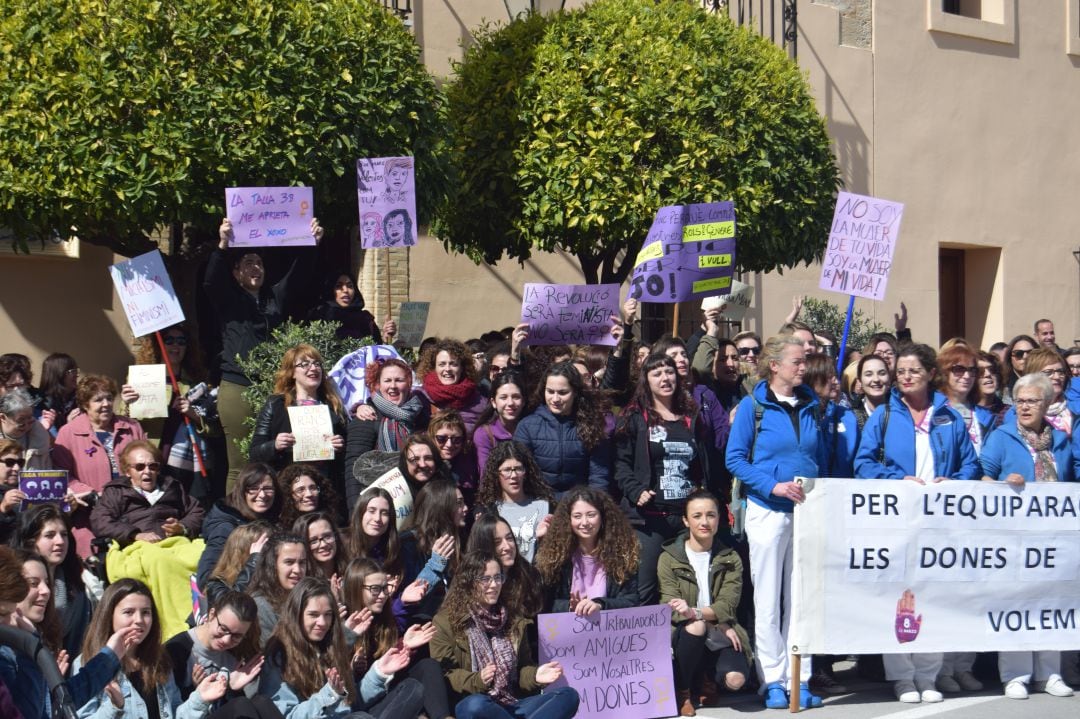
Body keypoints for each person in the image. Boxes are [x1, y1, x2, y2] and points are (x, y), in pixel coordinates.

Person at [854, 343, 979, 704]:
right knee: (900, 598)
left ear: (929, 374)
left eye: (914, 371)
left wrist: (952, 482)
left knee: (934, 597)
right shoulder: (886, 415)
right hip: (898, 519)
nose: (906, 377)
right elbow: (864, 464)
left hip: (939, 522)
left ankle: (928, 675)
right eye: (902, 371)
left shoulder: (949, 415)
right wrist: (896, 481)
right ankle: (903, 678)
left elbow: (970, 464)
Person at [725, 334, 823, 710]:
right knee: (768, 600)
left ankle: (801, 676)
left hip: (807, 513)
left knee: (802, 600)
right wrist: (773, 486)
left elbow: (820, 457)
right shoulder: (754, 406)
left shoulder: (812, 404)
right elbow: (735, 459)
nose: (804, 366)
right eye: (797, 361)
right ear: (775, 365)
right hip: (768, 511)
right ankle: (774, 679)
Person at [205, 216, 322, 494]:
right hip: (237, 387)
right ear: (236, 273)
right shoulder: (229, 298)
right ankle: (235, 522)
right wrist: (222, 244)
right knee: (240, 464)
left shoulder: (274, 298)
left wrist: (312, 243)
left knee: (272, 457)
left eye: (259, 263)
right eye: (248, 263)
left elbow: (299, 276)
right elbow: (211, 281)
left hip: (272, 388)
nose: (255, 268)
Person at [980, 372, 1075, 699]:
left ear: (1047, 404)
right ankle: (1016, 675)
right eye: (1019, 401)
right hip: (1013, 537)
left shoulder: (1061, 440)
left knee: (1050, 602)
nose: (1024, 407)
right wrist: (1006, 485)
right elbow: (981, 479)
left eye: (1032, 401)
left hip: (1052, 539)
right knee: (1016, 603)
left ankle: (1049, 673)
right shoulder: (1002, 436)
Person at [615, 352, 714, 605]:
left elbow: (701, 463)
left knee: (688, 589)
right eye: (656, 373)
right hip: (649, 520)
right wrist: (636, 490)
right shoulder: (635, 418)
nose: (665, 378)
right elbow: (621, 465)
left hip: (685, 519)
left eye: (669, 371)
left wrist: (700, 489)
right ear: (646, 380)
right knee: (645, 589)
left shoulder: (691, 418)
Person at [430, 551, 579, 719]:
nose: (493, 585)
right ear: (469, 582)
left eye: (498, 577)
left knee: (568, 695)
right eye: (485, 579)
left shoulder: (512, 618)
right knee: (474, 705)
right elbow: (446, 675)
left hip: (510, 704)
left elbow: (522, 670)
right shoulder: (445, 622)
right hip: (474, 702)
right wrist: (478, 679)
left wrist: (535, 676)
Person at [0, 546, 136, 719]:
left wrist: (110, 657)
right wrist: (33, 661)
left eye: (47, 583)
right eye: (33, 583)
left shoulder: (32, 642)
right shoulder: (6, 653)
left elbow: (63, 702)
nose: (46, 591)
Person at [258, 577, 423, 719]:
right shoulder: (279, 655)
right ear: (297, 615)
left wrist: (379, 672)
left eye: (328, 614)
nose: (322, 623)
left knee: (412, 689)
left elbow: (351, 704)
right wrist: (329, 694)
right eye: (313, 615)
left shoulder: (332, 645)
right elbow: (288, 715)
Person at [74, 578, 229, 719]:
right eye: (128, 612)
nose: (139, 620)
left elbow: (175, 713)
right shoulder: (89, 661)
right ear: (109, 615)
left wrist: (200, 698)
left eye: (146, 613)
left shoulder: (158, 659)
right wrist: (114, 707)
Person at [659, 490, 751, 716]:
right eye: (697, 515)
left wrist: (703, 614)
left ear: (719, 518)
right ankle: (684, 691)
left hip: (721, 631)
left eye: (710, 515)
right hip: (687, 633)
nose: (704, 522)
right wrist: (706, 618)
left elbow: (728, 604)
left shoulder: (730, 558)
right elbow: (670, 604)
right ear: (685, 520)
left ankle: (706, 677)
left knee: (736, 680)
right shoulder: (669, 557)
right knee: (696, 626)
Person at [340, 558, 447, 719]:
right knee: (413, 690)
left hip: (385, 694)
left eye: (385, 588)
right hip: (358, 706)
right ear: (355, 589)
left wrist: (403, 646)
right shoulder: (343, 626)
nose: (383, 595)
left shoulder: (385, 619)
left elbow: (389, 667)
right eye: (375, 589)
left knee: (427, 667)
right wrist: (353, 670)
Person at [53, 374, 147, 558]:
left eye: (109, 398)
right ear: (85, 404)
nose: (106, 404)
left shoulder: (131, 427)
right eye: (98, 400)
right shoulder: (69, 433)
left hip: (132, 508)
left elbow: (148, 462)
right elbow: (61, 474)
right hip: (89, 513)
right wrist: (90, 493)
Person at [132, 323, 217, 503]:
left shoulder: (197, 383)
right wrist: (127, 403)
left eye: (181, 341)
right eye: (169, 341)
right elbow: (126, 421)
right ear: (158, 345)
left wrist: (193, 414)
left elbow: (215, 429)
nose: (175, 346)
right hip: (154, 452)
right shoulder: (142, 379)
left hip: (186, 461)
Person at [249, 344, 347, 498]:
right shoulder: (276, 405)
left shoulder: (333, 405)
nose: (313, 368)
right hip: (287, 488)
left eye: (317, 364)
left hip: (325, 488)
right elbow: (254, 453)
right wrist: (275, 445)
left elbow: (348, 454)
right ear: (292, 372)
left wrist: (340, 445)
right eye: (304, 364)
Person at [164, 591, 276, 718]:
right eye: (223, 629)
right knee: (241, 705)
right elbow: (168, 709)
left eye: (237, 636)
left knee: (262, 703)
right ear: (211, 615)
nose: (226, 640)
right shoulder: (177, 650)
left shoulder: (236, 651)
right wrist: (195, 690)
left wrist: (233, 688)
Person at [535, 486, 639, 614]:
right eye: (577, 516)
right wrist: (570, 607)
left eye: (591, 515)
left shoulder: (622, 553)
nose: (584, 522)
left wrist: (600, 605)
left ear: (602, 517)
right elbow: (541, 602)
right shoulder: (556, 555)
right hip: (567, 629)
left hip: (608, 630)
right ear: (569, 520)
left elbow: (631, 601)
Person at [513, 362, 611, 496]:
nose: (555, 399)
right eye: (550, 391)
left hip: (578, 502)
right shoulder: (527, 426)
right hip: (539, 501)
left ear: (575, 392)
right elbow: (520, 471)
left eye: (562, 392)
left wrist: (593, 503)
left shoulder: (592, 424)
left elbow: (598, 475)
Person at [345, 358, 430, 509]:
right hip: (379, 504)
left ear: (409, 383)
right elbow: (354, 469)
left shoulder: (422, 415)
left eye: (399, 380)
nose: (393, 386)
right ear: (378, 384)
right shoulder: (366, 417)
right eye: (387, 380)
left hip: (420, 501)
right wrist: (356, 510)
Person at [11, 504, 94, 658]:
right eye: (50, 535)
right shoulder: (13, 581)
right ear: (30, 541)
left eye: (64, 534)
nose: (60, 541)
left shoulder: (77, 586)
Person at [91, 441, 205, 545]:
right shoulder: (116, 491)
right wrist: (134, 535)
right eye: (140, 467)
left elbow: (197, 512)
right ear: (127, 471)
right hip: (136, 548)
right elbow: (101, 522)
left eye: (153, 466)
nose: (147, 471)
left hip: (175, 543)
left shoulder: (173, 487)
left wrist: (182, 527)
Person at [196, 463, 281, 591]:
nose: (262, 495)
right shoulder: (225, 527)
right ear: (242, 491)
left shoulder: (273, 516)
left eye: (268, 488)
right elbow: (206, 580)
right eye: (253, 488)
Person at [398, 479, 467, 623]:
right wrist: (436, 564)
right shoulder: (407, 544)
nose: (465, 508)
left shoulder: (460, 540)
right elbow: (412, 595)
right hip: (417, 628)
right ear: (442, 507)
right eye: (459, 503)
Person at [473, 441, 552, 564]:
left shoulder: (544, 506)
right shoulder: (488, 511)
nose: (514, 475)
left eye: (519, 469)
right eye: (507, 470)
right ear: (496, 474)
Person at [466, 512, 544, 619]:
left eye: (509, 538)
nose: (507, 546)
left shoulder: (530, 577)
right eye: (497, 542)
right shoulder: (466, 582)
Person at [248, 534, 310, 647]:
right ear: (272, 565)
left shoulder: (308, 598)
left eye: (302, 563)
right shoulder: (260, 606)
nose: (297, 570)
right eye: (289, 562)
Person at [803, 354, 858, 478]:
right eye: (828, 376)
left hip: (840, 491)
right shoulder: (801, 416)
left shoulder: (847, 416)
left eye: (835, 375)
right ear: (812, 379)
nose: (835, 381)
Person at [936, 343, 996, 456]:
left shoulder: (985, 416)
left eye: (972, 370)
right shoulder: (934, 411)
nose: (967, 376)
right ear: (945, 372)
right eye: (959, 369)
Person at [417, 339, 488, 433]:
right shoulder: (420, 397)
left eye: (453, 364)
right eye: (442, 364)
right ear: (434, 368)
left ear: (462, 367)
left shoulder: (479, 401)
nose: (447, 369)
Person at [306, 272, 392, 343]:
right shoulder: (320, 317)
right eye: (339, 286)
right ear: (331, 290)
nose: (346, 290)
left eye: (350, 286)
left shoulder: (366, 319)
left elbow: (376, 351)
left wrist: (384, 338)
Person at [202, 521, 272, 607]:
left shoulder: (269, 583)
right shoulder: (216, 585)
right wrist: (254, 561)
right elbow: (232, 606)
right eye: (263, 550)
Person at [471, 372, 527, 476]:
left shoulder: (531, 429)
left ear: (523, 401)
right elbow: (486, 476)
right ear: (493, 402)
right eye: (503, 397)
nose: (510, 403)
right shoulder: (484, 434)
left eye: (515, 397)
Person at [427, 411, 478, 505]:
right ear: (431, 438)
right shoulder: (424, 464)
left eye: (456, 440)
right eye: (441, 439)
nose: (449, 445)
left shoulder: (471, 463)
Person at [1022, 347, 1073, 436]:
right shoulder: (1020, 411)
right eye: (1048, 372)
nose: (1057, 377)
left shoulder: (1074, 409)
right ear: (1033, 376)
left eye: (1060, 371)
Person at [0, 388, 53, 469]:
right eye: (21, 419)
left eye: (29, 417)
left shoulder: (40, 438)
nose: (26, 424)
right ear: (3, 418)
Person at [277, 463, 339, 528]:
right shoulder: (280, 530)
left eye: (313, 488)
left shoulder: (330, 526)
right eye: (300, 490)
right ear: (288, 495)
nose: (309, 494)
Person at [293, 511, 349, 583]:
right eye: (314, 541)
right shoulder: (301, 582)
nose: (323, 544)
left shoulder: (351, 573)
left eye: (327, 536)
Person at [37, 352, 79, 436]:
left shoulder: (80, 398)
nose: (76, 375)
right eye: (71, 371)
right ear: (58, 374)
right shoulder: (43, 404)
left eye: (76, 370)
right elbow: (54, 441)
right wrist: (69, 425)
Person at [850, 354, 892, 431]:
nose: (876, 379)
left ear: (889, 378)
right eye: (869, 374)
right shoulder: (851, 416)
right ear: (860, 381)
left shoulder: (901, 410)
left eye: (882, 373)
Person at [0, 438, 27, 543]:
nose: (16, 468)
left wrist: (66, 510)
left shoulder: (29, 490)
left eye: (20, 462)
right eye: (10, 462)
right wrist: (3, 508)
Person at [1001, 334, 1038, 404]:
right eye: (1019, 353)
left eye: (1031, 353)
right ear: (1010, 357)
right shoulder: (1002, 386)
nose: (1025, 357)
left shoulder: (1046, 382)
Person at [975, 350, 1008, 427]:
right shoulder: (965, 413)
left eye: (992, 370)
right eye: (980, 371)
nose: (988, 374)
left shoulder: (1010, 412)